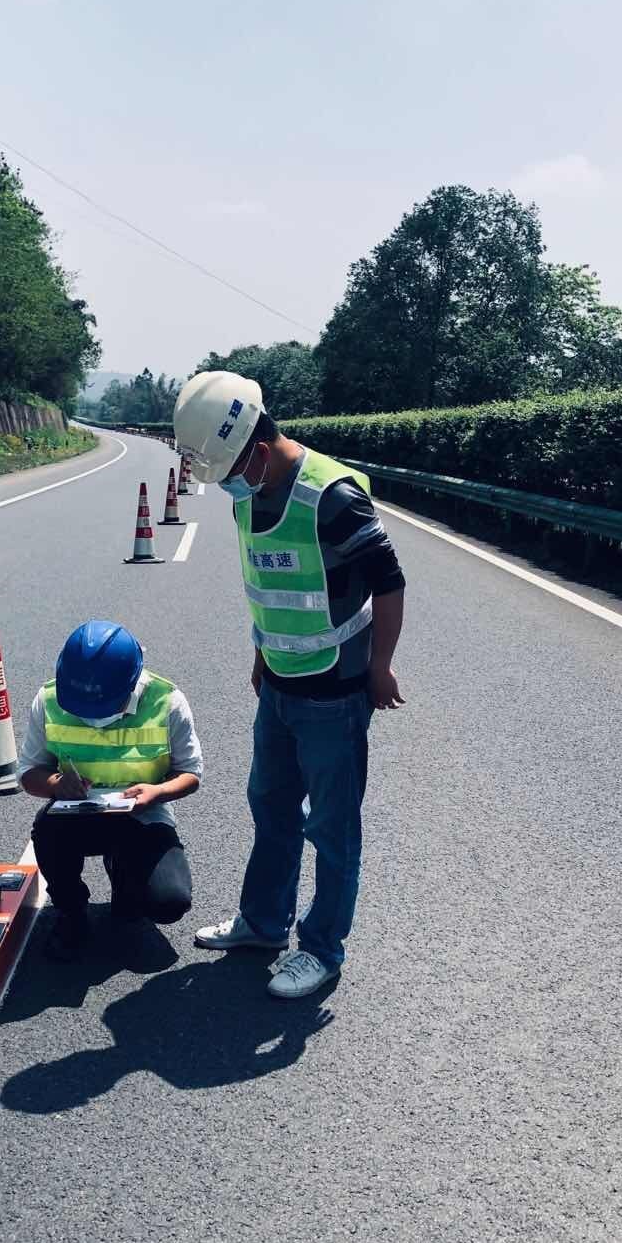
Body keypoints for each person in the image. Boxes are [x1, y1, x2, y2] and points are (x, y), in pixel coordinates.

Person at [174, 371, 405, 999]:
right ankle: (264, 923)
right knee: (271, 807)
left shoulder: (333, 498)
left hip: (335, 689)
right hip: (278, 683)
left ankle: (322, 949)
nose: (228, 483)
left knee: (332, 828)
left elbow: (389, 583)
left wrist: (381, 665)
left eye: (229, 470)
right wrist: (260, 654)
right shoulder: (249, 495)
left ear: (257, 449)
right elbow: (268, 585)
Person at [19, 620, 202, 958]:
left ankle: (124, 874)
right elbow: (29, 773)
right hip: (77, 814)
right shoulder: (49, 699)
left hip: (143, 815)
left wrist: (158, 793)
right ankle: (71, 911)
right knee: (47, 833)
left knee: (168, 902)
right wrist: (57, 784)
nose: (92, 718)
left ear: (131, 683)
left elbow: (190, 773)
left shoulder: (167, 701)